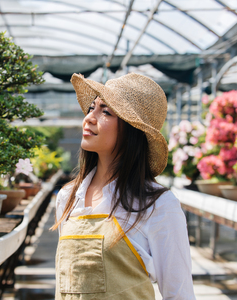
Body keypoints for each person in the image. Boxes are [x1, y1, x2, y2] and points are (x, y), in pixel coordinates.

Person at [52, 73, 196, 299]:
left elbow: (179, 294)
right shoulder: (68, 197)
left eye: (106, 112)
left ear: (132, 130)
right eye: (92, 108)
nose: (89, 118)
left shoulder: (157, 205)